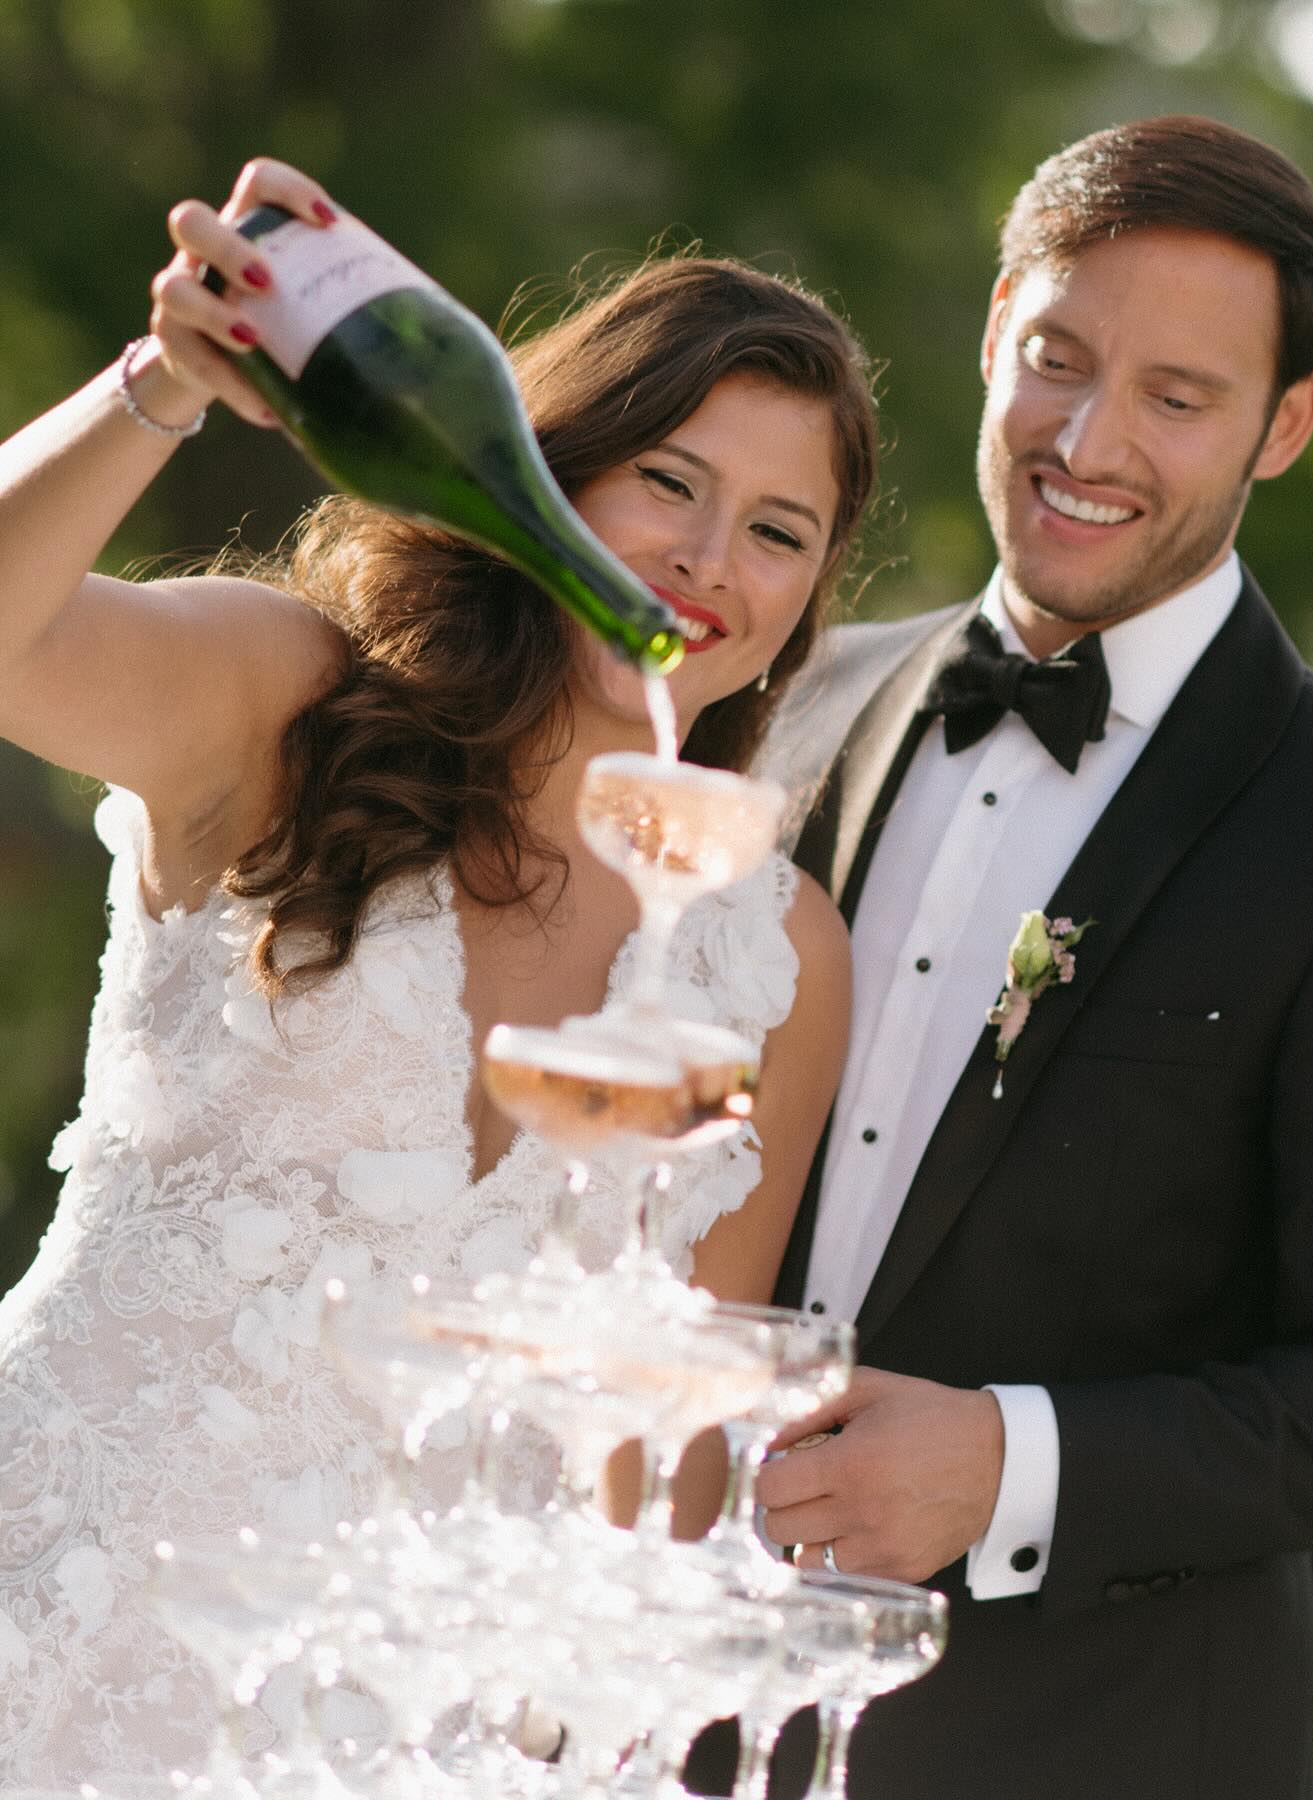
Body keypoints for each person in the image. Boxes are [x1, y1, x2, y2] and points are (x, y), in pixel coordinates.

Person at [0, 157, 878, 1797]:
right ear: (537, 478)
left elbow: (670, 1446)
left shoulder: (773, 959)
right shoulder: (285, 705)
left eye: (779, 532)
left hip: (407, 1740)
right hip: (48, 1615)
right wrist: (157, 390)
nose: (708, 559)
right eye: (667, 482)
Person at [688, 115, 1313, 1800]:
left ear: (1287, 423)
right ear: (991, 338)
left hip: (1081, 1742)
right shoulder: (792, 708)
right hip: (688, 1711)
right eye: (1058, 360)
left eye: (1180, 398)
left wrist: (1010, 1463)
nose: (1090, 441)